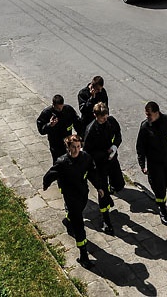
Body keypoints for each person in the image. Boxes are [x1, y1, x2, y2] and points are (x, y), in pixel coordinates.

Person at [42, 135, 103, 267]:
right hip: (70, 196)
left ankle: (69, 218)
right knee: (79, 226)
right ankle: (83, 255)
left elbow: (92, 173)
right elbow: (51, 174)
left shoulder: (85, 157)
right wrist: (45, 184)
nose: (76, 150)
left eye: (78, 146)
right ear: (68, 147)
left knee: (77, 213)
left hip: (82, 193)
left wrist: (98, 187)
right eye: (73, 147)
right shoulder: (62, 162)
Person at [136, 101, 167, 226]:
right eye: (146, 115)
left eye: (149, 115)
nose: (147, 117)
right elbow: (140, 148)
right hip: (154, 164)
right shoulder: (145, 127)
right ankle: (162, 209)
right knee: (160, 190)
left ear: (157, 113)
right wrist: (143, 165)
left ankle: (160, 189)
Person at [82, 103, 124, 235]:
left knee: (119, 184)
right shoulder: (91, 130)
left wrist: (115, 146)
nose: (105, 119)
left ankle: (110, 194)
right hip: (99, 165)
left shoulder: (111, 122)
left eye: (106, 116)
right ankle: (106, 220)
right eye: (102, 118)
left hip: (112, 160)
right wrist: (105, 154)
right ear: (96, 116)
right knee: (103, 192)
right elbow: (88, 153)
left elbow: (118, 134)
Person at [36, 94, 80, 163]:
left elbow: (77, 122)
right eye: (58, 108)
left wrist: (79, 136)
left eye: (61, 107)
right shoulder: (47, 113)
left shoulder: (68, 110)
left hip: (68, 142)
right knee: (58, 162)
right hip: (55, 143)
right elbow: (41, 130)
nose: (60, 110)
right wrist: (50, 125)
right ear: (53, 105)